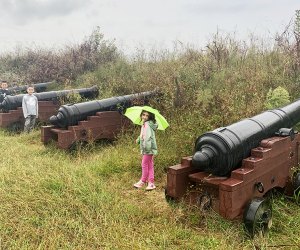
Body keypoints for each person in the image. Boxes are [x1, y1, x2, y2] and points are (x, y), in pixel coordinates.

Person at [133, 110, 158, 191]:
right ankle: (151, 183)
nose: (145, 117)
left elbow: (148, 137)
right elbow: (143, 135)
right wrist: (138, 139)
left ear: (149, 117)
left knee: (144, 164)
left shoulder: (147, 124)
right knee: (150, 164)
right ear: (141, 115)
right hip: (148, 147)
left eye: (147, 116)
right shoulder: (145, 124)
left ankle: (143, 181)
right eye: (143, 115)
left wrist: (146, 149)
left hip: (148, 148)